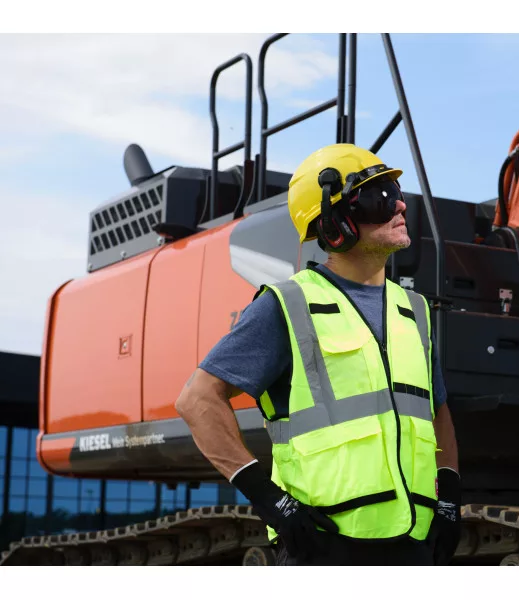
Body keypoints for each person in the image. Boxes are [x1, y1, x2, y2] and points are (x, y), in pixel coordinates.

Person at [175, 143, 461, 566]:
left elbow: (436, 411)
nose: (400, 205)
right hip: (324, 547)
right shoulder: (287, 306)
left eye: (397, 192)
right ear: (335, 222)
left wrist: (449, 498)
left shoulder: (415, 311)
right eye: (380, 197)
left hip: (411, 546)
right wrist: (272, 503)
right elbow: (197, 400)